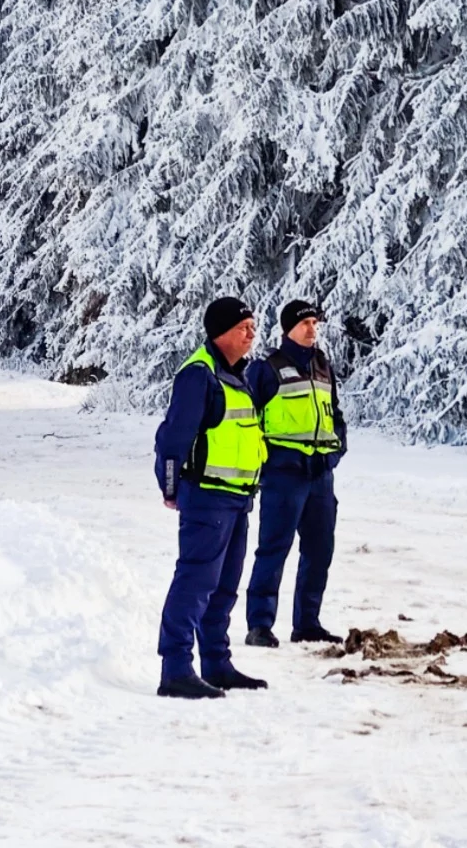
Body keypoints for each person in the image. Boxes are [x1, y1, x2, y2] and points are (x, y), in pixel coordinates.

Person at [152, 297, 270, 699]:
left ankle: (216, 664)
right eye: (243, 328)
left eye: (253, 326)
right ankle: (175, 669)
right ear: (220, 333)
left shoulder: (241, 375)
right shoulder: (199, 375)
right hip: (207, 499)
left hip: (237, 499)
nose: (251, 333)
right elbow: (172, 438)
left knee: (224, 586)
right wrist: (170, 488)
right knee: (196, 582)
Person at [243, 300, 346, 647]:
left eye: (315, 323)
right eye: (305, 324)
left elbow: (335, 414)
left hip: (320, 476)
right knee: (273, 549)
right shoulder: (267, 369)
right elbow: (248, 421)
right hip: (284, 476)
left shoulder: (322, 366)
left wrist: (336, 452)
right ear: (288, 328)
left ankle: (307, 623)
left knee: (320, 550)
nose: (312, 329)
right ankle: (259, 624)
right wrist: (264, 464)